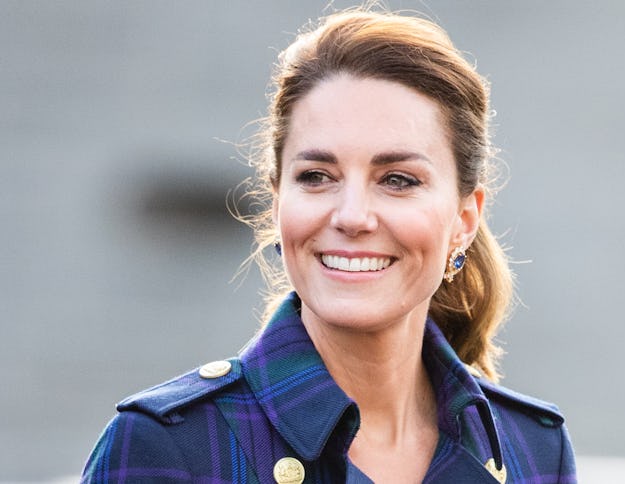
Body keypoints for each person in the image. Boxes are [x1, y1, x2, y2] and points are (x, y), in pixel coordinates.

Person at [82, 8, 577, 484]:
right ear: (277, 203)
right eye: (316, 176)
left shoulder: (532, 451)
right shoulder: (165, 449)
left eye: (399, 180)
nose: (352, 216)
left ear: (464, 220)